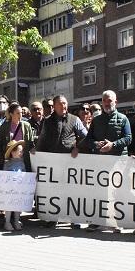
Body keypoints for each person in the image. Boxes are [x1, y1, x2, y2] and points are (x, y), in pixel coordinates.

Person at [80, 90, 132, 232]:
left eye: (110, 100)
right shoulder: (96, 120)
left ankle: (117, 221)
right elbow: (88, 140)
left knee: (117, 192)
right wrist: (95, 144)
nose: (107, 103)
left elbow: (128, 138)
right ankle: (97, 221)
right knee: (99, 192)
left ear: (116, 102)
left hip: (119, 161)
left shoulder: (123, 119)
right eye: (105, 100)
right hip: (101, 162)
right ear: (102, 102)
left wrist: (113, 145)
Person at [35, 95, 87, 227]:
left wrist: (78, 147)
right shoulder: (47, 121)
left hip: (70, 161)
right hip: (53, 162)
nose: (63, 106)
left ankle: (74, 219)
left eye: (65, 103)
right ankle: (53, 217)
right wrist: (36, 152)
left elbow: (86, 137)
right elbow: (42, 139)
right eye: (60, 104)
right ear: (55, 106)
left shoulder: (74, 120)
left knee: (71, 191)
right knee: (54, 191)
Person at [0, 103, 34, 171]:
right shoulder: (4, 127)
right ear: (11, 114)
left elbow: (31, 142)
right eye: (18, 113)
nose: (20, 115)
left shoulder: (27, 125)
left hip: (24, 160)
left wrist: (32, 149)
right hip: (10, 161)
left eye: (21, 113)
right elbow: (0, 144)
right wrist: (2, 159)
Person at [3, 140, 26, 231]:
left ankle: (16, 220)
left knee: (18, 205)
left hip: (19, 188)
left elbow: (24, 172)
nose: (21, 153)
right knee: (9, 206)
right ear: (12, 152)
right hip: (10, 189)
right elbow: (4, 175)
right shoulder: (7, 163)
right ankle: (7, 222)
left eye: (22, 151)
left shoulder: (22, 162)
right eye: (19, 151)